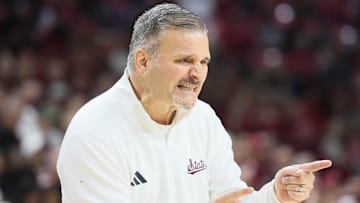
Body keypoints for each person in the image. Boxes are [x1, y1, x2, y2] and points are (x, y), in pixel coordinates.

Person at [56, 3, 332, 203]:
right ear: (143, 61)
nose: (197, 73)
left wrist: (275, 195)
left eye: (203, 62)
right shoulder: (94, 132)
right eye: (185, 61)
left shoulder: (203, 119)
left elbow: (230, 200)